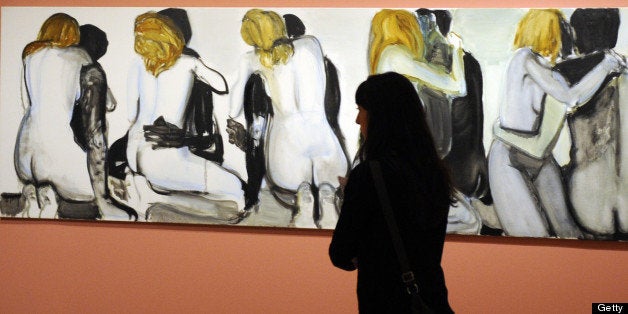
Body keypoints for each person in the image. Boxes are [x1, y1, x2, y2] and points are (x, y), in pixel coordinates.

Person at [488, 9, 624, 238]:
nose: (566, 39)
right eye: (561, 32)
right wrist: (606, 65)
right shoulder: (524, 58)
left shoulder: (550, 71)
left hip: (539, 158)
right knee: (532, 235)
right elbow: (570, 96)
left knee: (568, 233)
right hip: (510, 157)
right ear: (549, 33)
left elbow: (573, 96)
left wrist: (605, 65)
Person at [330, 72, 454, 313]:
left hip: (383, 303)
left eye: (361, 109)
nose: (358, 120)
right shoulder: (434, 172)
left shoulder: (368, 175)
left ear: (379, 116)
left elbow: (341, 254)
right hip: (431, 301)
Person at [228, 9, 349, 229]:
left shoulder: (252, 59)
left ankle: (304, 199)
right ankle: (327, 197)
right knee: (328, 188)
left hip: (286, 152)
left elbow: (233, 109)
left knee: (301, 186)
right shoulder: (311, 44)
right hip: (326, 146)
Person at [369, 9, 482, 235]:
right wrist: (457, 50)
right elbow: (456, 86)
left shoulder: (388, 57)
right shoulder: (396, 56)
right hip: (404, 161)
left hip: (397, 157)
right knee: (467, 221)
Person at [123, 11, 245, 221]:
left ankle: (146, 189)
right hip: (164, 158)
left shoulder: (137, 64)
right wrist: (197, 67)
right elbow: (222, 85)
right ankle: (158, 200)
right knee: (237, 195)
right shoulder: (188, 62)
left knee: (177, 176)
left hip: (133, 153)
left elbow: (130, 114)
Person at [15, 13, 94, 219]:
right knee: (93, 191)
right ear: (72, 34)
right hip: (54, 151)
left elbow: (26, 103)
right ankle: (49, 193)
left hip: (24, 156)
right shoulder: (79, 55)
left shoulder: (30, 55)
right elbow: (102, 101)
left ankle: (33, 191)